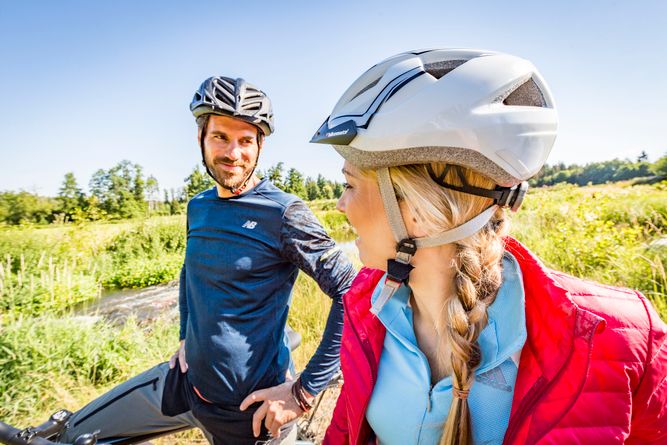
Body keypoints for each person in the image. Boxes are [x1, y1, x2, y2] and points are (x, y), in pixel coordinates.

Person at [310, 49, 667, 444]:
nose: (341, 206)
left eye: (349, 185)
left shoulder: (616, 335)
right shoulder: (366, 307)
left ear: (417, 210)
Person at [58, 76, 356, 445]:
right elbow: (189, 274)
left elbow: (352, 291)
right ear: (201, 137)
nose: (233, 153)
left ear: (260, 145)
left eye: (246, 140)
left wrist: (303, 392)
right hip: (186, 383)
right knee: (75, 433)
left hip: (250, 412)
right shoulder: (198, 207)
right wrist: (185, 336)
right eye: (220, 137)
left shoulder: (283, 213)